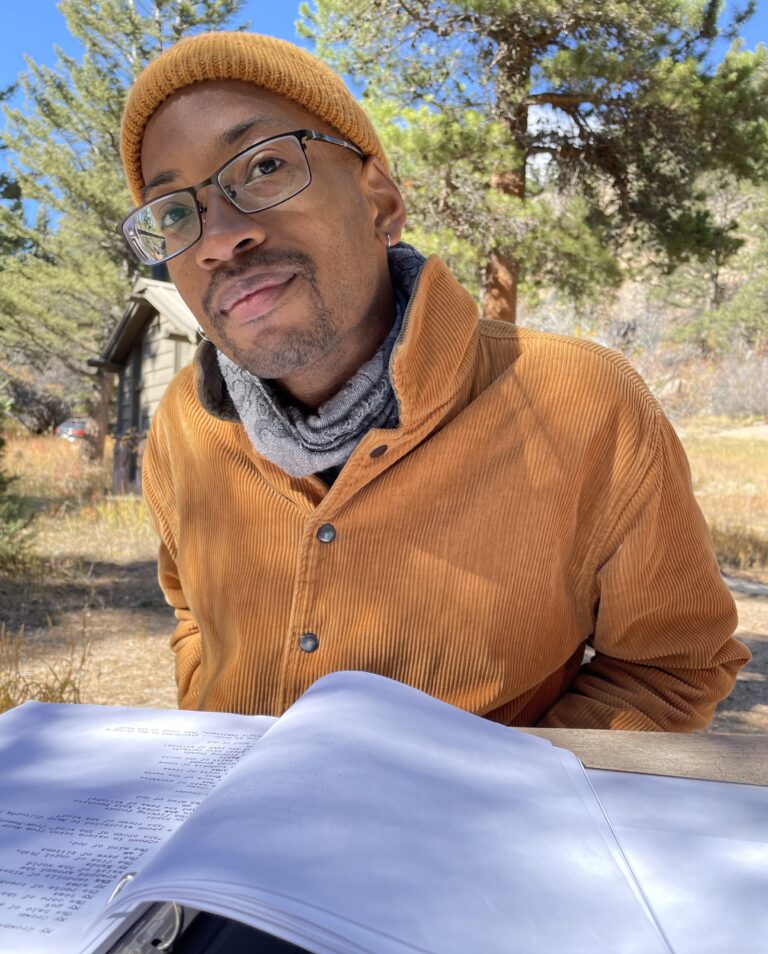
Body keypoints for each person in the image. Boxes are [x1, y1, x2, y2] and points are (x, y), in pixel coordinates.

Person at [118, 31, 749, 727]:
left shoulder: (586, 403)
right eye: (174, 211)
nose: (216, 237)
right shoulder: (184, 424)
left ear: (381, 202)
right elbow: (193, 616)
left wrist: (493, 805)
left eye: (264, 165)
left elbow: (670, 669)